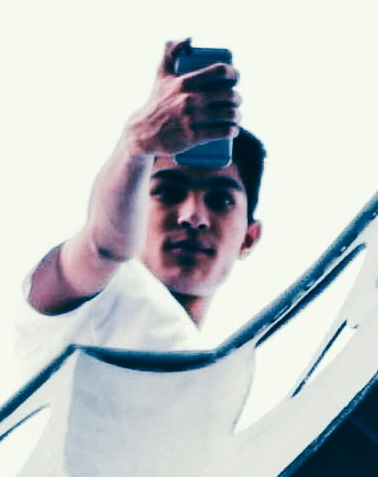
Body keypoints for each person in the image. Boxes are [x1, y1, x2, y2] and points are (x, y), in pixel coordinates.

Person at [25, 37, 267, 355]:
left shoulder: (213, 373)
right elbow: (102, 247)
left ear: (249, 239)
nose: (192, 215)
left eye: (221, 200)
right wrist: (138, 147)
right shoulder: (94, 296)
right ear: (137, 206)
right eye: (167, 192)